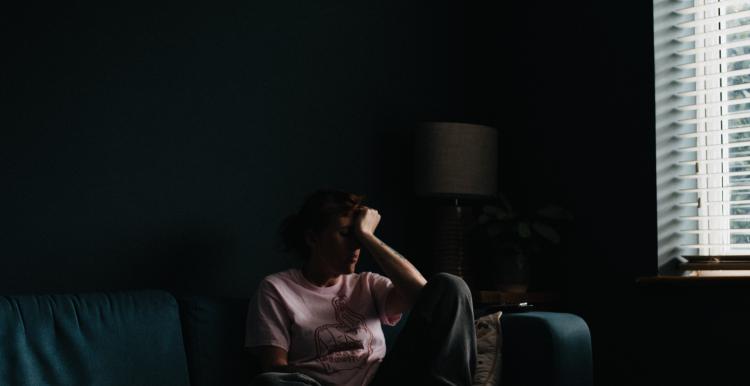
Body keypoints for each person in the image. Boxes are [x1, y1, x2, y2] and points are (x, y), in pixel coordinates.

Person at [245, 190, 477, 386]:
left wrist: (368, 236)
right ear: (312, 238)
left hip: (384, 380)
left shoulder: (367, 283)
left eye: (359, 237)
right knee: (270, 382)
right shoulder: (276, 288)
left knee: (451, 285)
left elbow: (425, 295)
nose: (356, 246)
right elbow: (274, 366)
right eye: (347, 234)